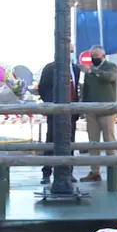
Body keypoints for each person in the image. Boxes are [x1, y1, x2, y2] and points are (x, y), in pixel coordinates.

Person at [37, 46, 80, 185]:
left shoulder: (75, 69)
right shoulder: (50, 68)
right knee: (51, 141)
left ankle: (68, 172)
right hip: (55, 112)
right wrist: (51, 104)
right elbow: (42, 87)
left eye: (70, 52)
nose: (69, 54)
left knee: (70, 142)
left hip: (71, 112)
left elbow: (76, 88)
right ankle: (47, 173)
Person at [78, 45, 117, 182]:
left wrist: (92, 71)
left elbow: (110, 77)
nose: (94, 58)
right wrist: (83, 106)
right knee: (93, 143)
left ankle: (113, 172)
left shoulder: (111, 67)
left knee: (109, 143)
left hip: (107, 111)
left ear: (103, 56)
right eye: (92, 56)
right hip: (91, 111)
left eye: (96, 56)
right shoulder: (89, 72)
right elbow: (86, 90)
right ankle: (94, 172)